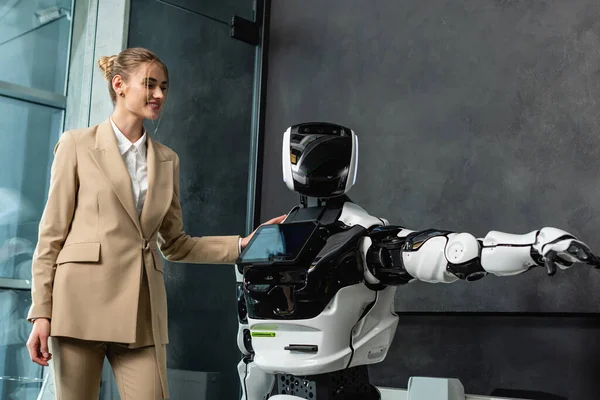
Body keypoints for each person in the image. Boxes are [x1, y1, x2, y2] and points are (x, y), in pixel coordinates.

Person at [24, 47, 285, 400]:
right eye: (150, 84)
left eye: (163, 86)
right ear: (119, 85)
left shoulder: (167, 160)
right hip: (78, 308)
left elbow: (175, 244)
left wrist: (243, 244)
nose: (159, 94)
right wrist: (41, 313)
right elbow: (51, 237)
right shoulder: (77, 145)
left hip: (142, 311)